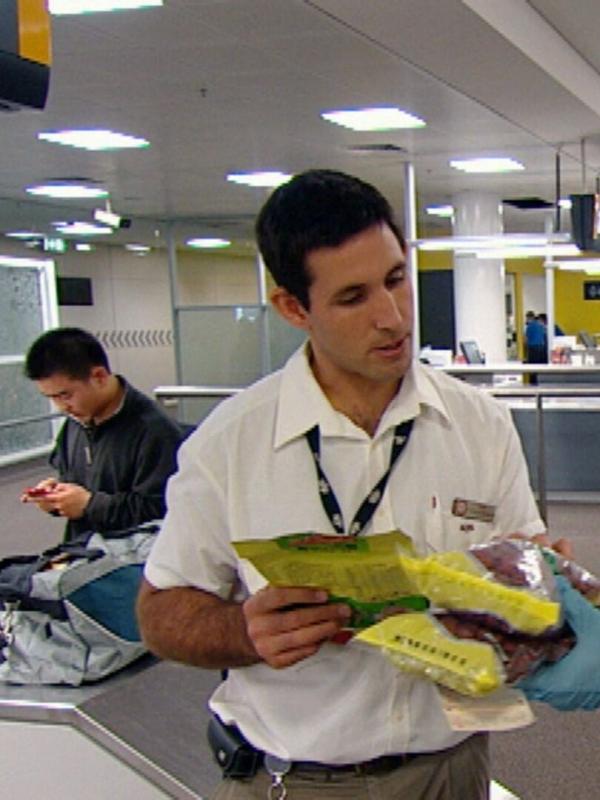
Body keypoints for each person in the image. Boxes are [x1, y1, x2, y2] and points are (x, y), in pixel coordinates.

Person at [136, 170, 594, 800]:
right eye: (353, 298)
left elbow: (525, 556)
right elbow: (160, 613)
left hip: (452, 770)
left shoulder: (478, 421)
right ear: (294, 308)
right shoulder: (230, 444)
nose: (392, 317)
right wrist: (244, 631)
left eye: (396, 279)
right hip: (299, 780)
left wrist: (537, 585)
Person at [22, 327, 186, 541]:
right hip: (83, 554)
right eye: (51, 397)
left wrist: (89, 505)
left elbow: (162, 511)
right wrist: (56, 496)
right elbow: (75, 481)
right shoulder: (76, 422)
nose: (61, 407)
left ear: (99, 376)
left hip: (129, 562)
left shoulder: (155, 431)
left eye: (65, 395)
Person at [524, 310, 547, 385]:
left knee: (532, 368)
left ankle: (533, 384)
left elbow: (526, 340)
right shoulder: (540, 325)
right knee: (539, 367)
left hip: (533, 348)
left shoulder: (529, 326)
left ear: (529, 318)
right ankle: (540, 382)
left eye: (527, 318)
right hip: (541, 348)